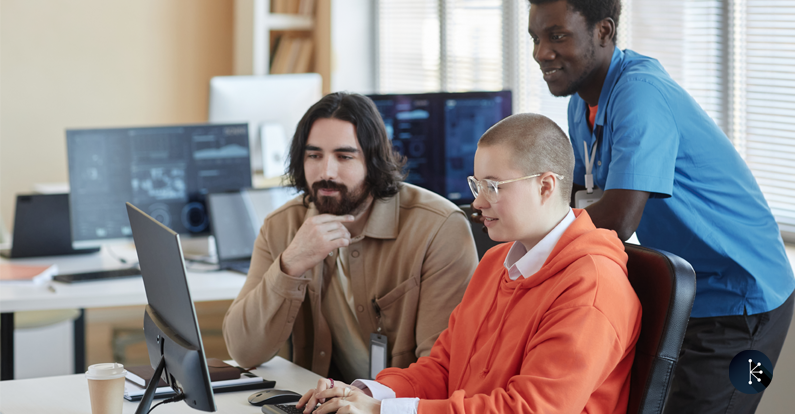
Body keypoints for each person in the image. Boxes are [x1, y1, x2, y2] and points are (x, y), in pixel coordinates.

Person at [526, 0, 795, 412]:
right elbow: (573, 200)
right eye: (536, 38)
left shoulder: (640, 94)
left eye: (557, 35)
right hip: (684, 292)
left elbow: (618, 218)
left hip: (742, 300)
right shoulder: (582, 102)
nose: (541, 52)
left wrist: (535, 240)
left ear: (603, 31)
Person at [297, 113, 642, 414]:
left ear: (545, 186)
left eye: (493, 186)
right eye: (477, 184)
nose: (478, 201)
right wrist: (365, 395)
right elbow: (444, 368)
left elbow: (530, 409)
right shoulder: (497, 263)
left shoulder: (592, 286)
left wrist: (383, 412)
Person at [222, 92, 478, 382]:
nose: (326, 171)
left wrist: (365, 402)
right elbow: (244, 351)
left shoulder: (438, 227)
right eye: (314, 155)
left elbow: (441, 369)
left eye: (344, 156)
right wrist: (291, 263)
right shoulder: (282, 226)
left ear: (373, 160)